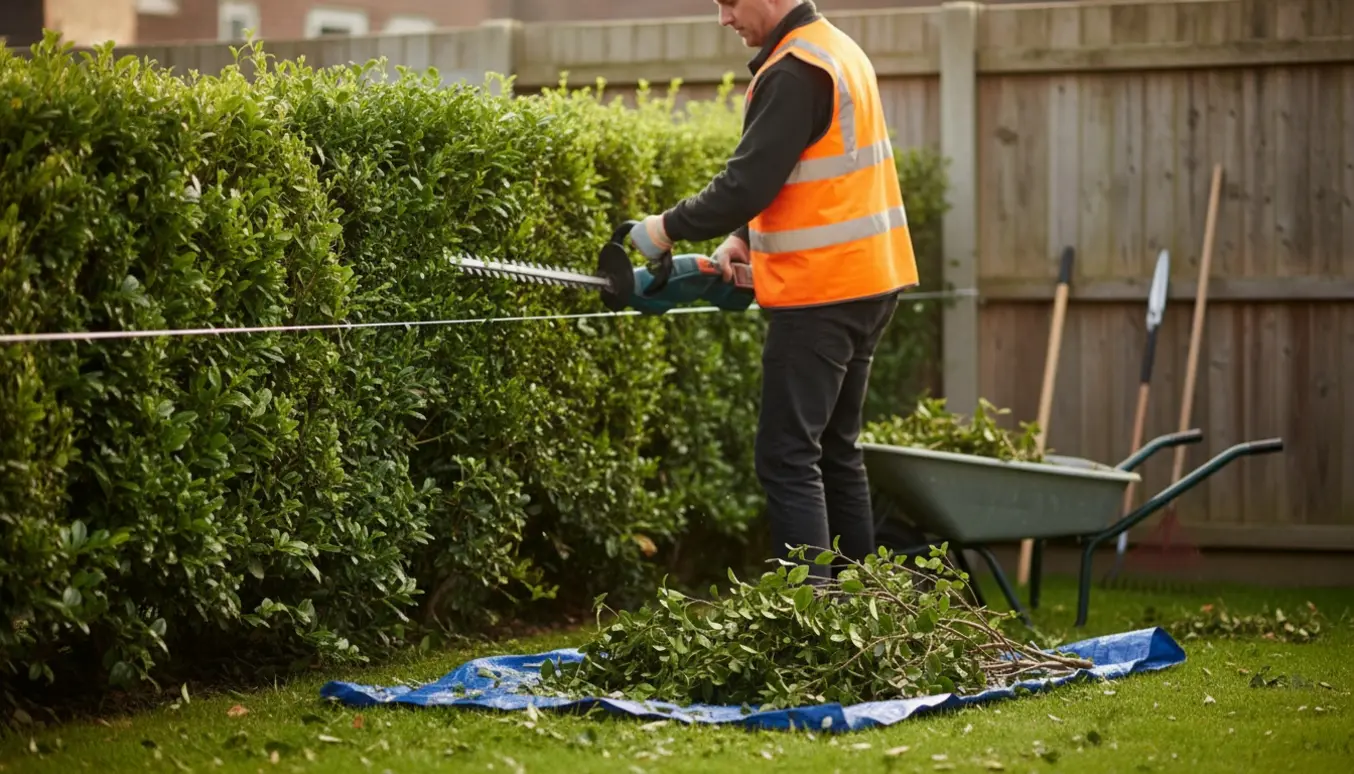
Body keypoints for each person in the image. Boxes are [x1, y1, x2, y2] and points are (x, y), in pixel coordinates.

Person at [627, 0, 920, 579]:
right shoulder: (834, 49)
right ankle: (866, 609)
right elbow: (796, 176)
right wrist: (743, 240)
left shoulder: (794, 68)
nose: (723, 17)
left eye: (729, 2)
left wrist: (661, 229)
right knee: (836, 452)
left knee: (787, 457)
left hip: (822, 294)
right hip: (868, 280)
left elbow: (745, 183)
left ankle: (811, 619)